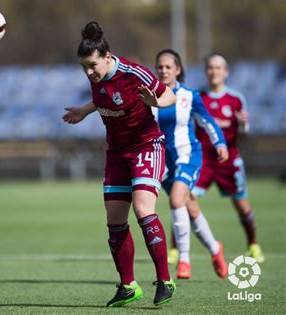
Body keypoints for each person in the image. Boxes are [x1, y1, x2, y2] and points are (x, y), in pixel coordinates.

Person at [62, 22, 177, 307]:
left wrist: (157, 102)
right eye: (84, 67)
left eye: (92, 65)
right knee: (114, 221)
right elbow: (103, 98)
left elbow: (169, 94)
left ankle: (165, 280)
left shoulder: (132, 72)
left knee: (142, 209)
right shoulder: (96, 77)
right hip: (116, 153)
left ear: (107, 57)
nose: (89, 72)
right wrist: (84, 111)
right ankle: (128, 286)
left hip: (146, 146)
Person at [153, 49, 228, 280]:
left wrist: (220, 143)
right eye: (160, 67)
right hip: (163, 161)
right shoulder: (150, 96)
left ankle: (184, 260)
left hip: (188, 155)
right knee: (190, 207)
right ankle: (216, 250)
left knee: (176, 200)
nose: (164, 70)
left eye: (168, 67)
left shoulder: (189, 95)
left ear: (178, 69)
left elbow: (207, 121)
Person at [191, 52, 264, 262]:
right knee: (185, 199)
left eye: (218, 67)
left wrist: (243, 125)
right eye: (210, 67)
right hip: (203, 160)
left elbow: (243, 135)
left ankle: (253, 244)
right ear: (206, 71)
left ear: (226, 72)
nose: (213, 71)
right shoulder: (198, 98)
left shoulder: (235, 99)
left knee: (241, 204)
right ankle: (176, 251)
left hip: (229, 161)